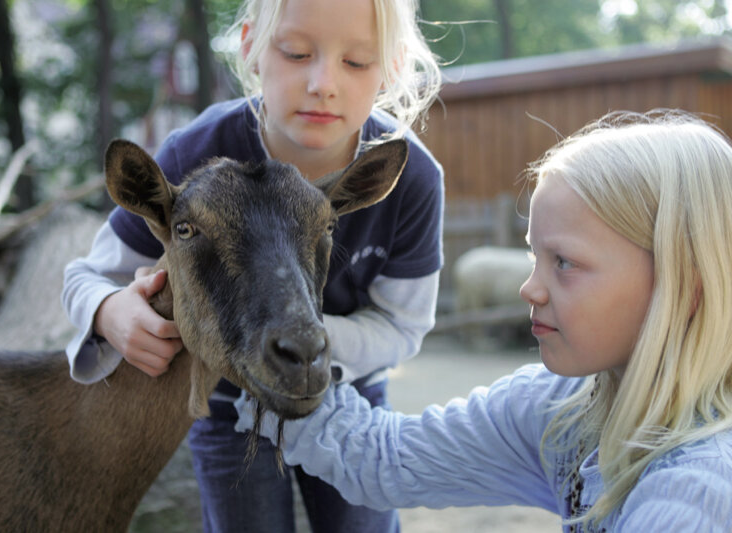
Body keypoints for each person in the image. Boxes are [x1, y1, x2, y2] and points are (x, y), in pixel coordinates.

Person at [235, 110, 732, 532]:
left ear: (683, 286)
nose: (528, 288)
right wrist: (242, 337)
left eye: (564, 262)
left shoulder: (695, 495)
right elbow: (387, 458)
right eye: (533, 256)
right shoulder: (565, 410)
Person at [60, 0, 444, 531]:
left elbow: (405, 323)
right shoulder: (193, 152)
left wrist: (302, 336)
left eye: (356, 62)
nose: (323, 82)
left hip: (347, 391)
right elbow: (85, 276)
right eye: (296, 52)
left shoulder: (411, 178)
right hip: (225, 403)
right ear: (250, 47)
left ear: (394, 65)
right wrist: (109, 312)